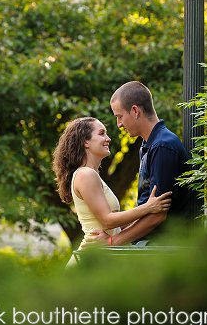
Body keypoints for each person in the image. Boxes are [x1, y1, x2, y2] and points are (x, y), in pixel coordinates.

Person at [52, 116, 171, 258]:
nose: (108, 138)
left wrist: (150, 214)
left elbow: (115, 225)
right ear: (85, 142)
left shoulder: (91, 175)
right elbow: (107, 220)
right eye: (101, 133)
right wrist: (148, 207)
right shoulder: (85, 175)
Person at [102, 80, 192, 245]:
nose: (119, 124)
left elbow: (158, 214)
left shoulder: (163, 146)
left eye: (119, 116)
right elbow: (147, 207)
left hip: (164, 247)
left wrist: (112, 242)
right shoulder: (148, 145)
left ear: (135, 110)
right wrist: (115, 230)